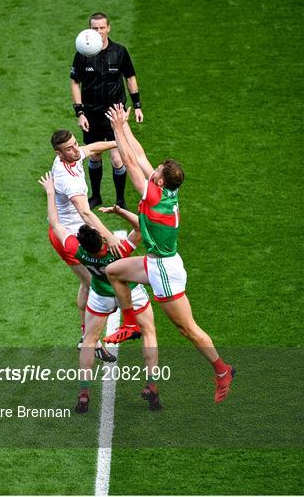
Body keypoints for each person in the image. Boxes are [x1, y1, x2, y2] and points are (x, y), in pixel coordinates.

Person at [103, 104, 236, 403]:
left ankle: (221, 370)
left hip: (164, 269)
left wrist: (115, 129)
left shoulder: (153, 194)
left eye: (157, 172)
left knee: (187, 329)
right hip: (157, 262)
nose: (153, 171)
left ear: (160, 181)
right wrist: (124, 126)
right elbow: (138, 155)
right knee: (114, 272)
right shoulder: (167, 190)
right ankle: (129, 324)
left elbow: (129, 161)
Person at [39, 172, 160, 413]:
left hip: (101, 296)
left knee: (89, 341)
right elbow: (141, 228)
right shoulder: (118, 249)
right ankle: (152, 386)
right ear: (103, 240)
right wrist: (120, 213)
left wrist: (51, 192)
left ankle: (84, 394)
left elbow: (55, 223)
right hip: (130, 292)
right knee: (149, 332)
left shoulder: (78, 251)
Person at [43, 129, 125, 362]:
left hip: (78, 230)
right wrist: (109, 236)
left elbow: (92, 148)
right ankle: (90, 339)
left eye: (75, 143)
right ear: (59, 154)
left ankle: (86, 336)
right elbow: (85, 212)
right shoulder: (66, 179)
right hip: (66, 237)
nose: (75, 149)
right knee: (96, 285)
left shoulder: (73, 154)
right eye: (69, 148)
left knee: (88, 283)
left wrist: (116, 142)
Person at [70, 12, 144, 210]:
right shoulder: (83, 54)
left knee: (117, 157)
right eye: (95, 28)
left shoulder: (119, 52)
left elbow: (130, 77)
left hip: (114, 114)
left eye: (102, 28)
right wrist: (80, 112)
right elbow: (75, 82)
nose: (99, 31)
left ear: (108, 28)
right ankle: (96, 196)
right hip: (91, 114)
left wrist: (137, 106)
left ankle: (120, 200)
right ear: (89, 30)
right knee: (94, 155)